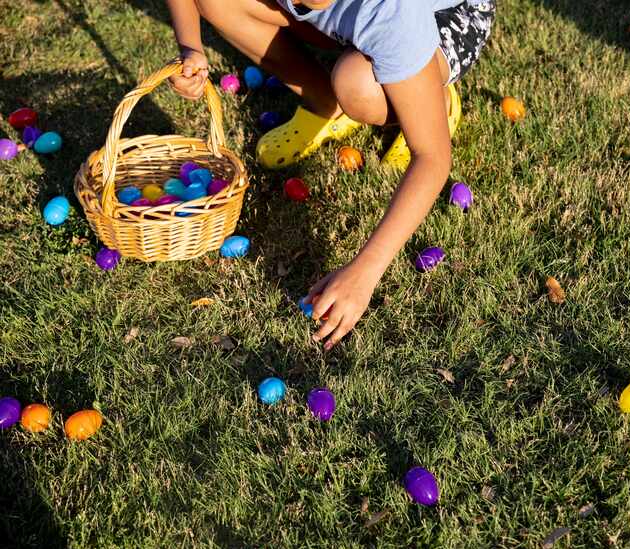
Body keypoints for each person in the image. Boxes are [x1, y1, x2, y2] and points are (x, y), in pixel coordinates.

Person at [166, 0, 495, 349]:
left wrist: (364, 273)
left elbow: (432, 157)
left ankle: (431, 100)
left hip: (449, 16)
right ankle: (323, 102)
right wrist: (190, 47)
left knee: (358, 84)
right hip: (361, 19)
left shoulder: (391, 9)